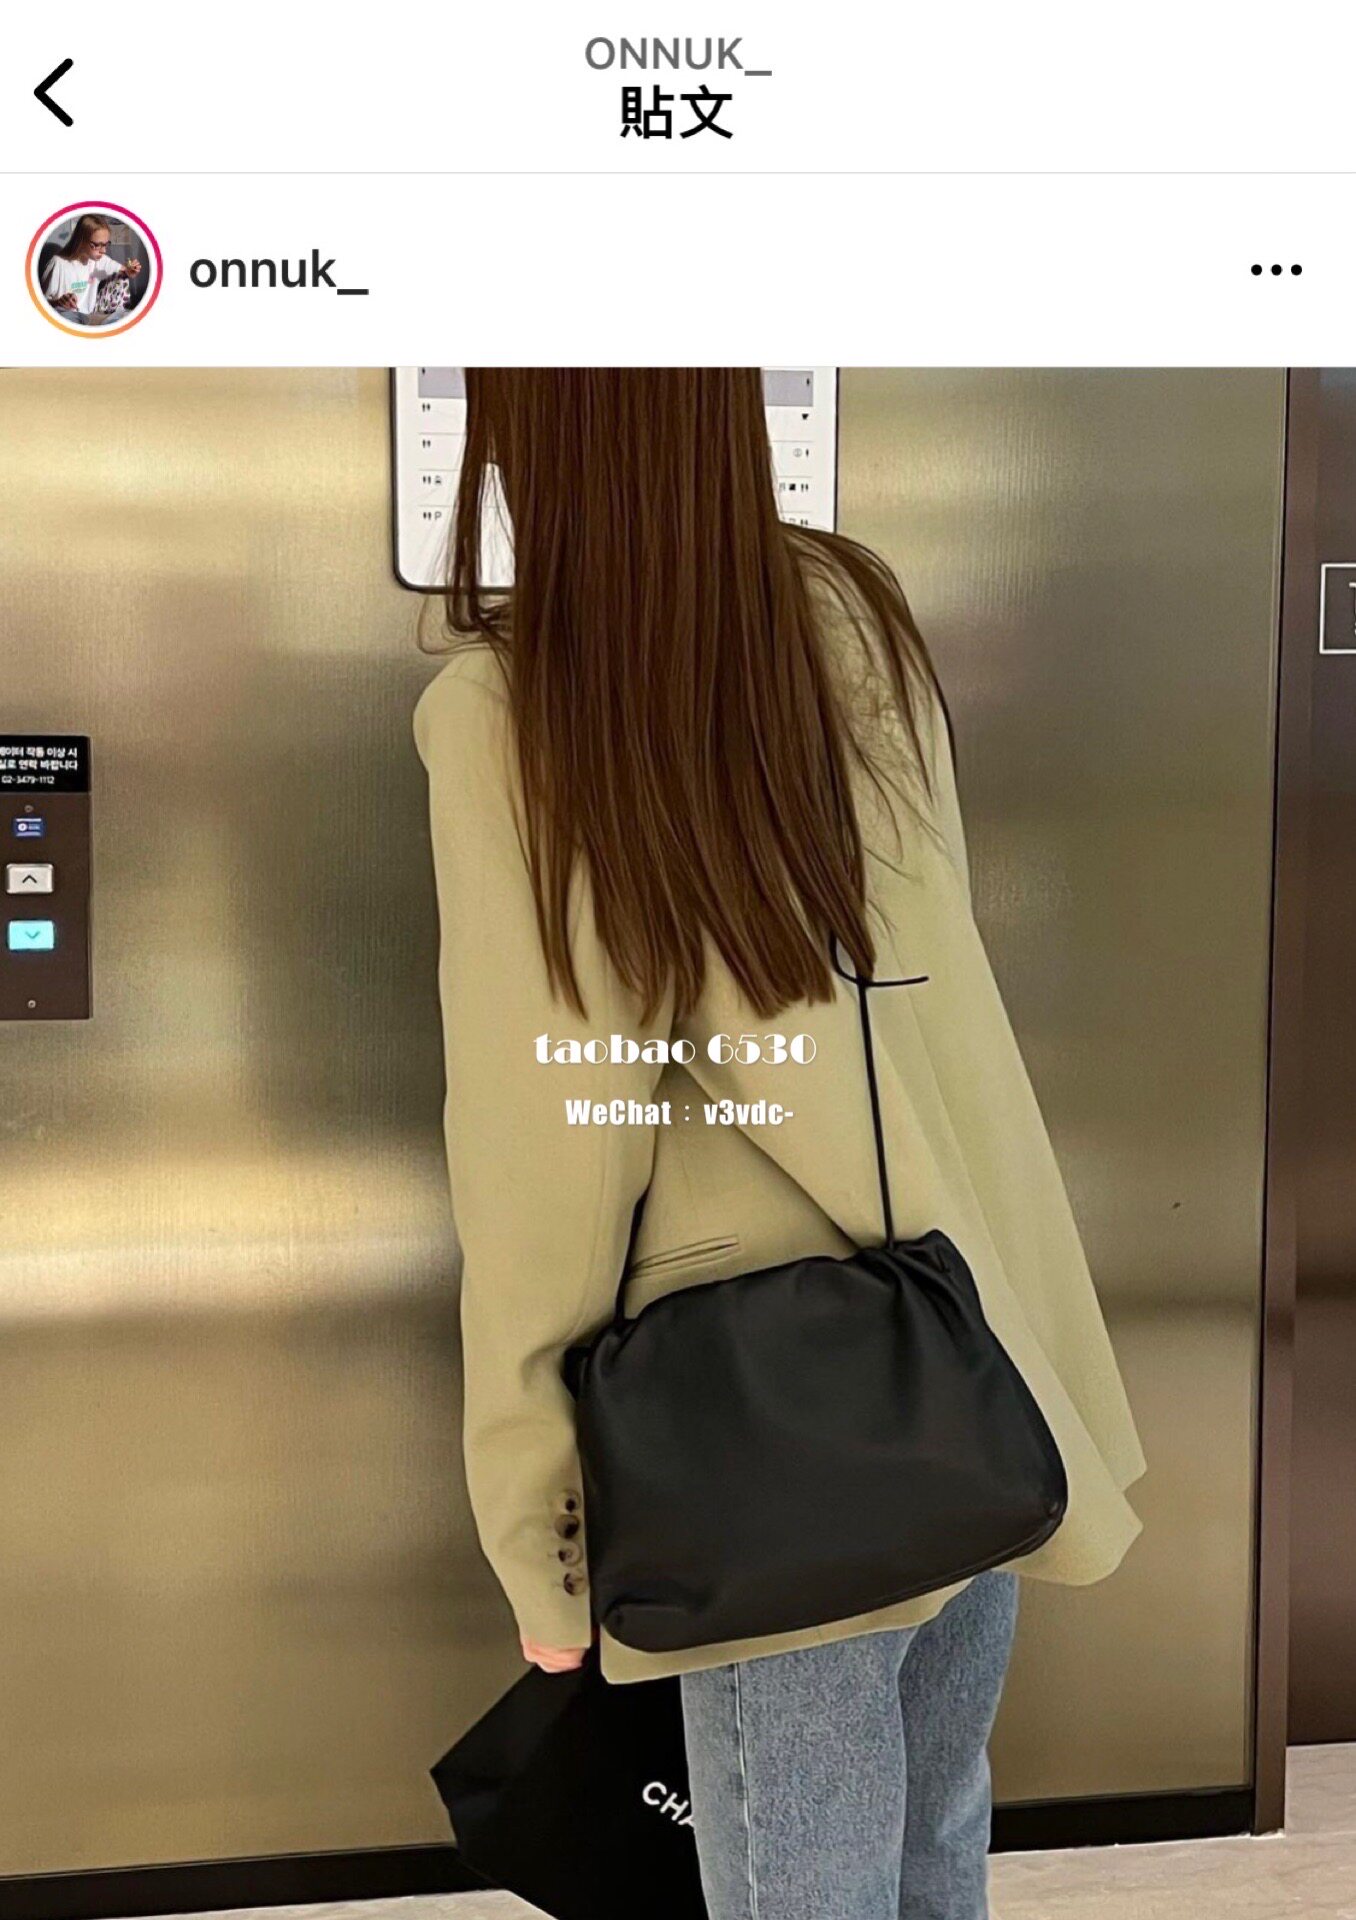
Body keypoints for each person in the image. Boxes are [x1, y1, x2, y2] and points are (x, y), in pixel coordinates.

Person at [413, 369, 1145, 1919]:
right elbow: (929, 1009)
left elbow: (556, 1148)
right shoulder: (848, 610)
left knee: (801, 1883)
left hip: (759, 1424)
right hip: (967, 1352)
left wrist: (543, 1534)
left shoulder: (519, 701)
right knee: (931, 1838)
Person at [41, 215, 143, 325]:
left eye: (106, 244)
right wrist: (58, 302)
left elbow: (124, 270)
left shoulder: (99, 260)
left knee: (122, 276)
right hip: (65, 315)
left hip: (91, 313)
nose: (103, 251)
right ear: (81, 241)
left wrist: (130, 271)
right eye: (97, 245)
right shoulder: (58, 263)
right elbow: (40, 303)